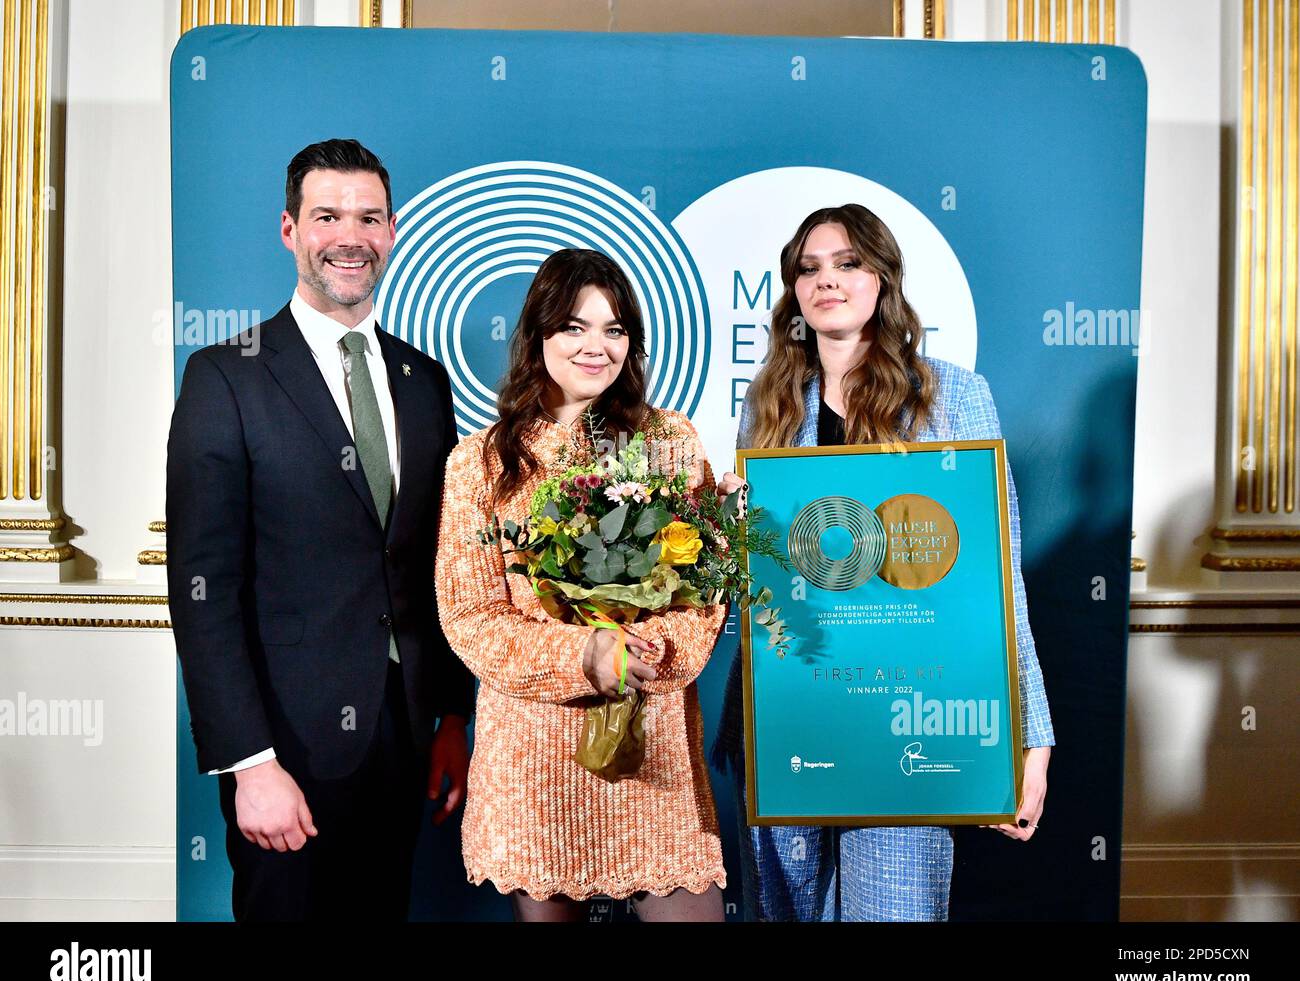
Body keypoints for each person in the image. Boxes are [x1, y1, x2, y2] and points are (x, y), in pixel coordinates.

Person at [711, 203, 1054, 921]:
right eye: (809, 268)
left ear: (882, 278)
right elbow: (757, 582)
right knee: (786, 910)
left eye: (847, 263)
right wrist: (728, 529)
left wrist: (1031, 738)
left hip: (909, 715)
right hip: (791, 711)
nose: (826, 280)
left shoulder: (954, 396)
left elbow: (998, 579)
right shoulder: (768, 405)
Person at [167, 138, 473, 921]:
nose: (350, 236)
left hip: (402, 742)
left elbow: (433, 563)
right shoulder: (224, 375)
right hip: (286, 753)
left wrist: (448, 720)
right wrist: (249, 764)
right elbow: (203, 591)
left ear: (393, 231)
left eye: (369, 217)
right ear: (289, 230)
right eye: (328, 215)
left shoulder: (423, 379)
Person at [435, 248, 728, 922]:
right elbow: (472, 619)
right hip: (535, 767)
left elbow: (705, 590)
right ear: (538, 335)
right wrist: (590, 657)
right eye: (574, 326)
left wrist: (648, 653)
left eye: (614, 329)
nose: (597, 347)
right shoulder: (479, 465)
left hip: (652, 758)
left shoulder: (670, 443)